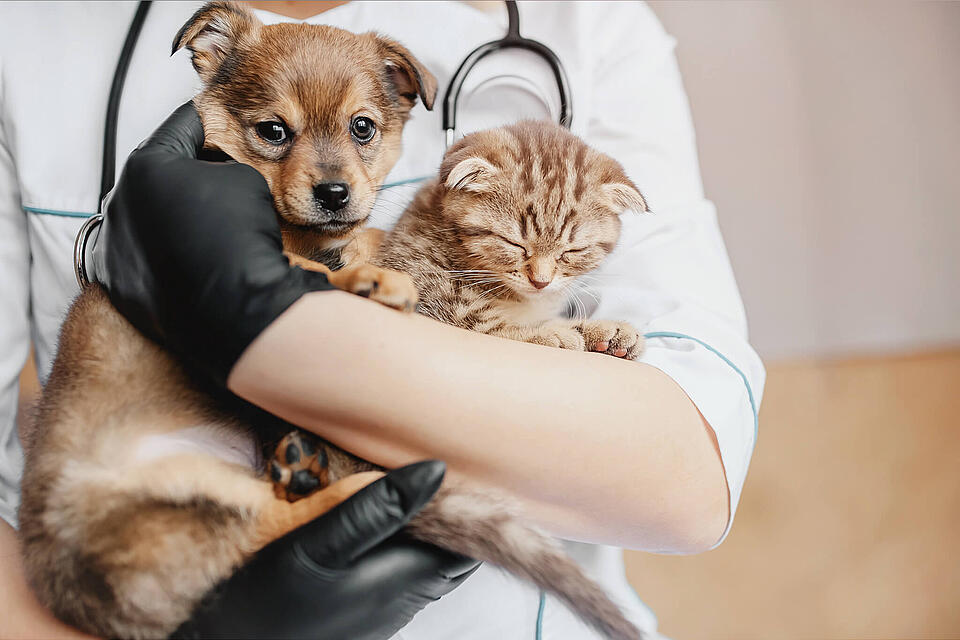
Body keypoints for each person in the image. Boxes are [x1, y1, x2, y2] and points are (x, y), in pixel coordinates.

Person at [0, 2, 765, 638]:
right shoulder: (31, 30)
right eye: (276, 133)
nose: (331, 176)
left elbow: (689, 480)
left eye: (363, 131)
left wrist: (274, 328)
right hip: (125, 536)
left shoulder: (588, 22)